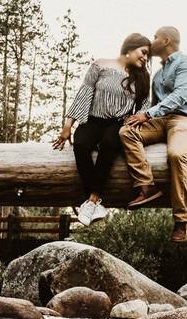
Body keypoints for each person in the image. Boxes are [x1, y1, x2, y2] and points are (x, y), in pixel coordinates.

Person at [53, 33, 152, 226]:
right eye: (143, 52)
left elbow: (145, 105)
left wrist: (134, 121)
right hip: (93, 119)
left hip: (118, 122)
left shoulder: (142, 77)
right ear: (130, 48)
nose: (145, 58)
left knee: (109, 143)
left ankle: (92, 199)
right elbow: (84, 93)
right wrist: (67, 126)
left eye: (148, 55)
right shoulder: (100, 64)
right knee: (80, 144)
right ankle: (96, 202)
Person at [120, 26, 187, 242]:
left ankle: (181, 220)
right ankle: (147, 187)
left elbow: (180, 96)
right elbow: (155, 105)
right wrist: (139, 117)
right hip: (161, 121)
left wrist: (146, 115)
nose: (152, 40)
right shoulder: (158, 75)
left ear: (166, 41)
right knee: (127, 131)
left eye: (156, 37)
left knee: (176, 154)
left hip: (186, 120)